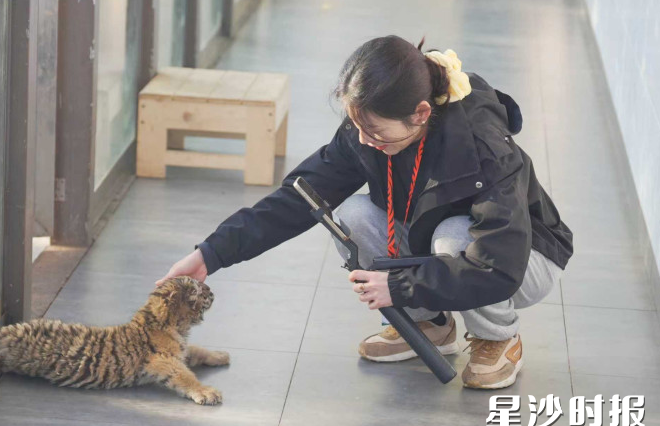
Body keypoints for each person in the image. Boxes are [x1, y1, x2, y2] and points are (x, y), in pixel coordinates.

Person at [156, 35, 573, 389]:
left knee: (453, 234)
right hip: (447, 250)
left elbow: (499, 263)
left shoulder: (483, 146)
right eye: (356, 126)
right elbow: (299, 199)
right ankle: (430, 325)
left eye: (374, 131)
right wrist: (211, 253)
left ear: (421, 113)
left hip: (523, 260)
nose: (363, 140)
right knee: (353, 217)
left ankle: (498, 339)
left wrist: (401, 288)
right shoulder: (367, 130)